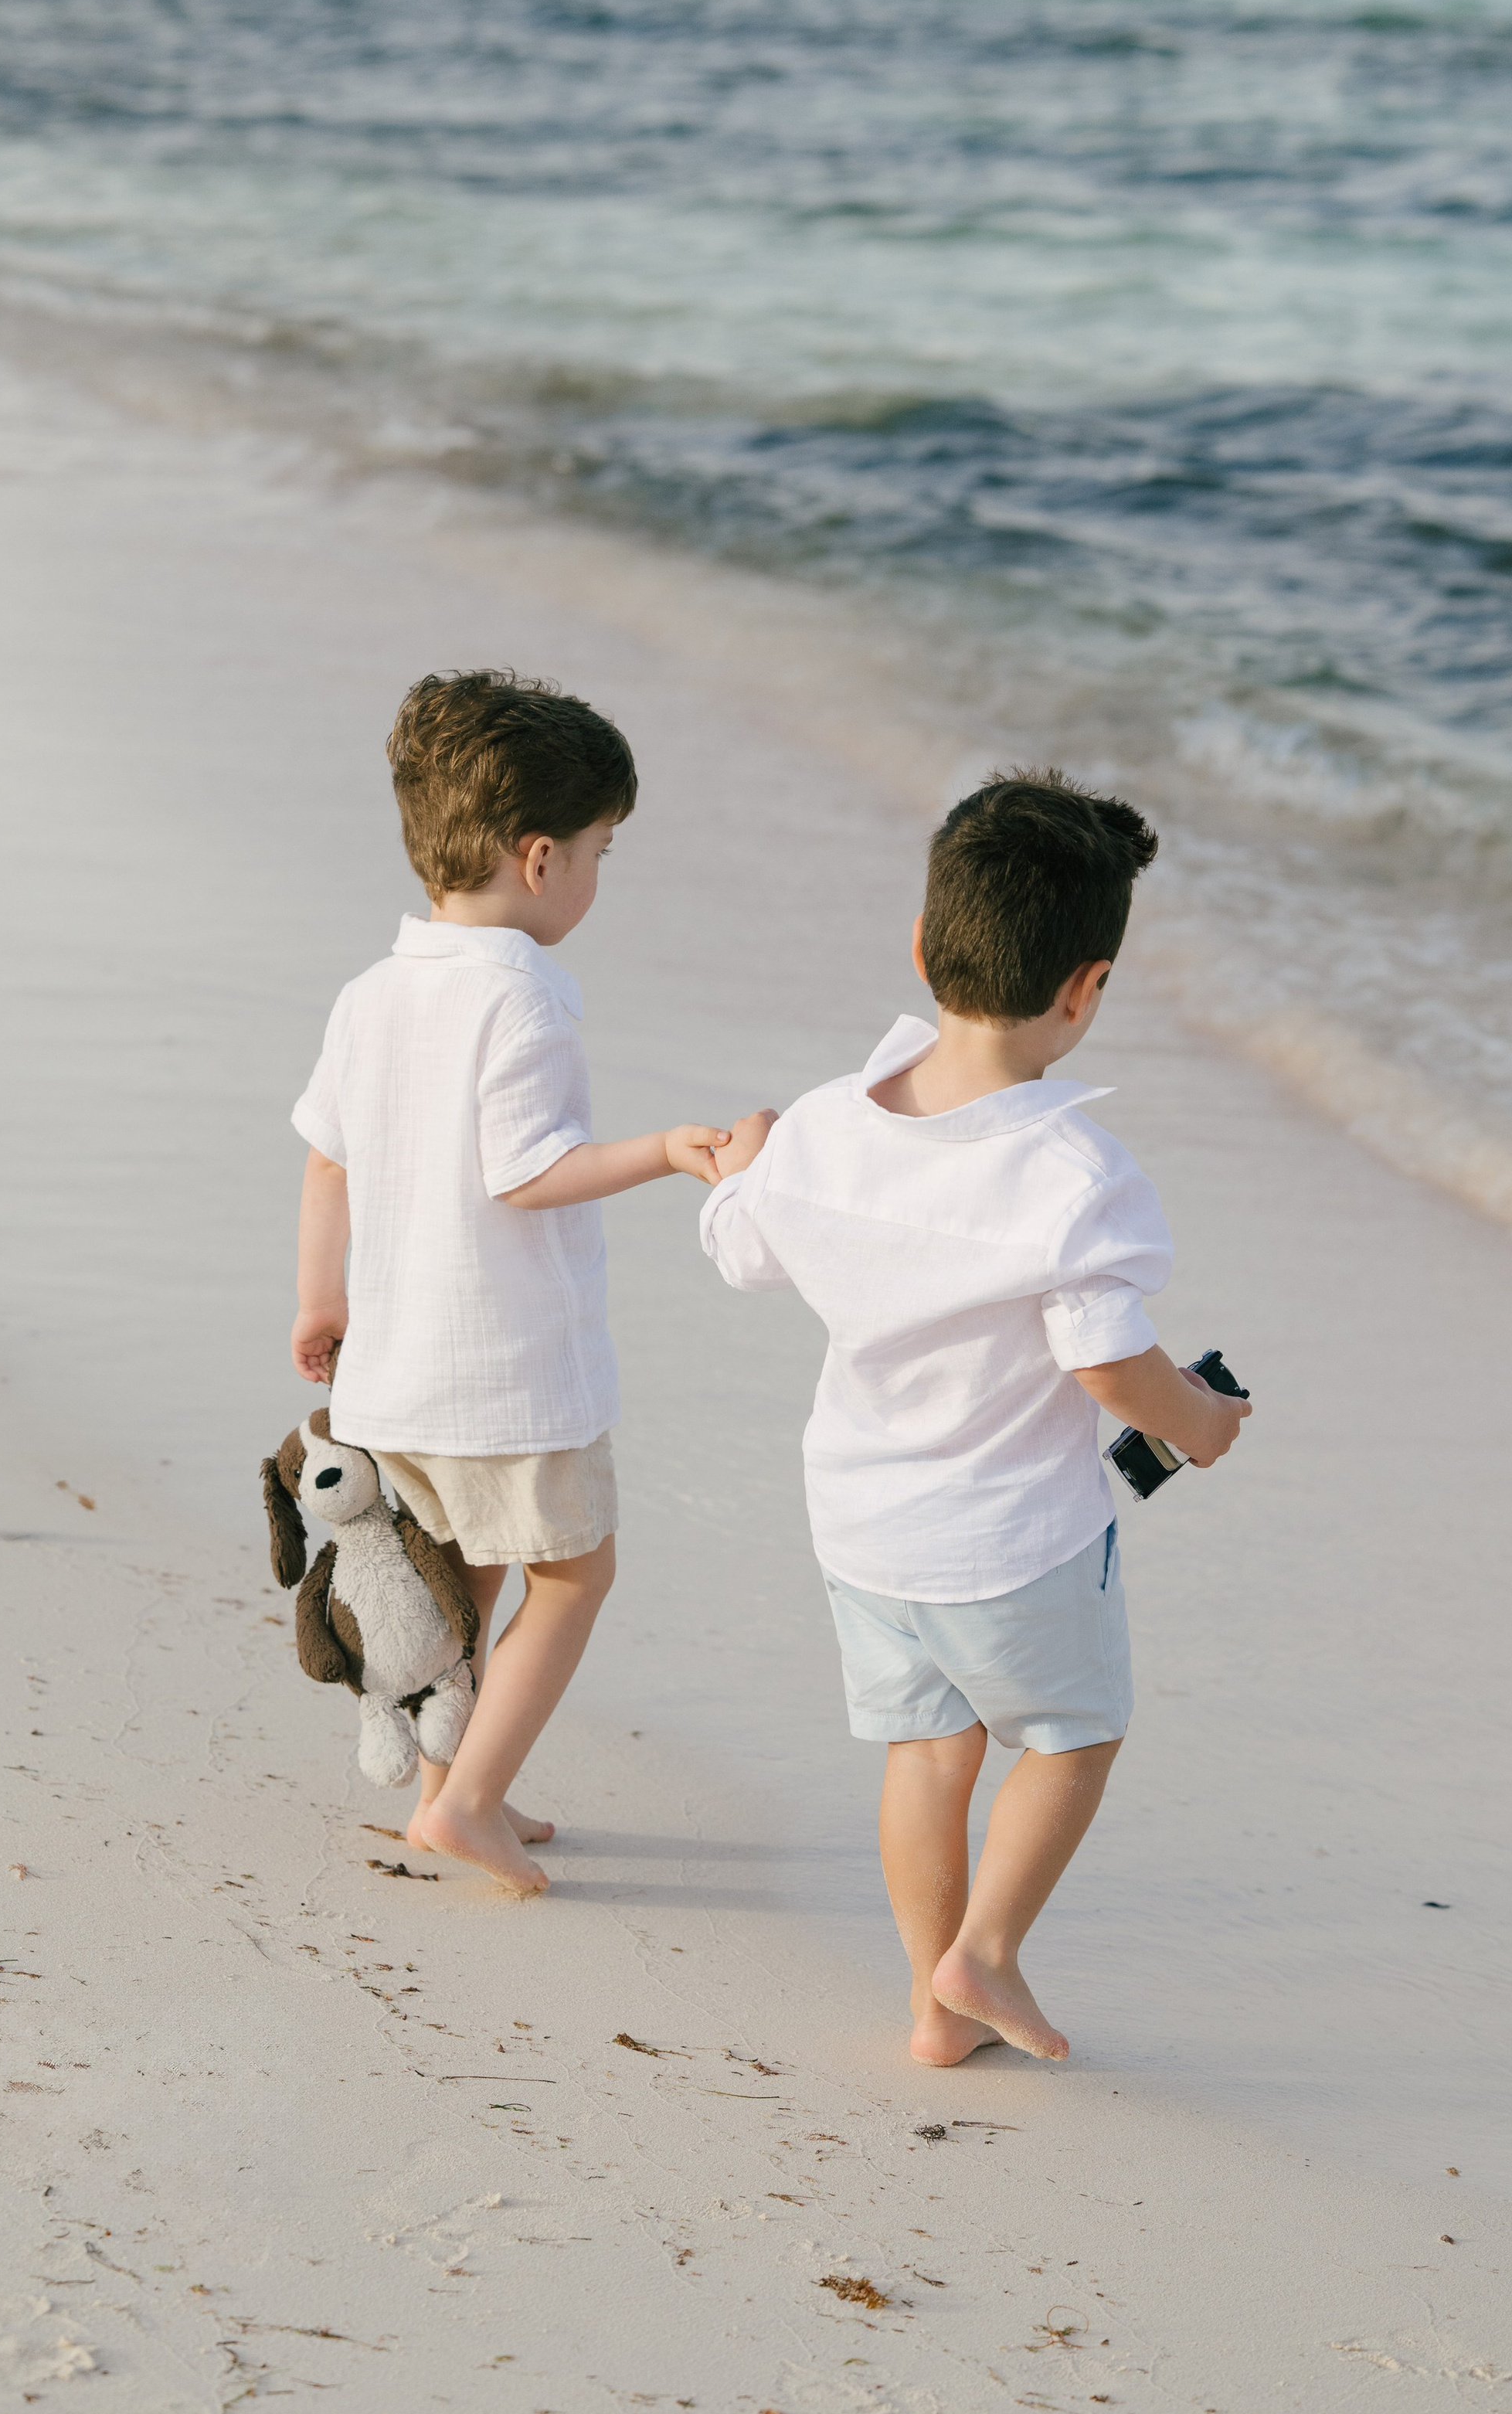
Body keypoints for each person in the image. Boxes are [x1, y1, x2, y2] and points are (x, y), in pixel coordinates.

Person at [701, 770, 1251, 2063]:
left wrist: (745, 1163)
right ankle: (986, 1954)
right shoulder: (1074, 1173)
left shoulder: (830, 1125)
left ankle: (928, 2004)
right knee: (1073, 1735)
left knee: (928, 1751)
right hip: (1013, 1540)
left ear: (921, 943)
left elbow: (741, 1249)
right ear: (1085, 987)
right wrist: (1201, 1421)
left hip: (861, 1524)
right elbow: (1112, 1367)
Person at [290, 668, 739, 1896]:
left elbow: (328, 1155)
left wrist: (318, 1302)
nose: (601, 873)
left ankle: (448, 1777)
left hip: (391, 1366)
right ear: (539, 861)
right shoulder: (524, 1000)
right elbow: (527, 1173)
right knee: (570, 1573)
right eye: (602, 849)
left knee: (459, 1575)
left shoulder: (371, 993)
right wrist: (665, 1149)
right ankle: (471, 1802)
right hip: (503, 1373)